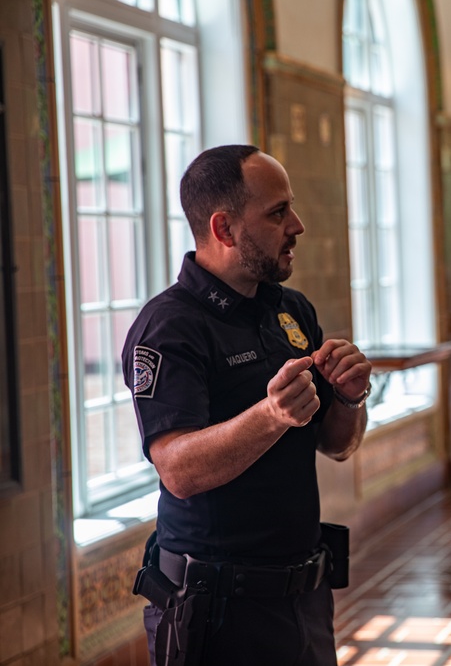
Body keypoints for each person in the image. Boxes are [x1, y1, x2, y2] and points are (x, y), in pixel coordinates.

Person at [123, 144, 372, 665]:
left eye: (291, 207)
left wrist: (351, 397)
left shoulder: (291, 310)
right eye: (278, 212)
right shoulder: (169, 328)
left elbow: (337, 444)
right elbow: (179, 470)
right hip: (216, 610)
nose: (297, 225)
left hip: (305, 595)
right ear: (224, 229)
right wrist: (270, 415)